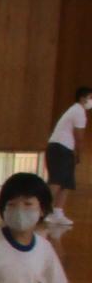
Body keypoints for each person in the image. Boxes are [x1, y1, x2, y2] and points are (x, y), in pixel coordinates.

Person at [44, 86, 92, 226]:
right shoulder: (78, 112)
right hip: (60, 148)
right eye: (90, 98)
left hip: (65, 149)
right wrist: (79, 153)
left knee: (66, 182)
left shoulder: (77, 110)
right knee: (56, 181)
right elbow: (79, 136)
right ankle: (43, 210)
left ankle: (57, 213)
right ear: (82, 98)